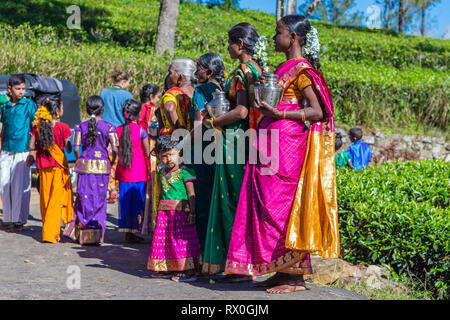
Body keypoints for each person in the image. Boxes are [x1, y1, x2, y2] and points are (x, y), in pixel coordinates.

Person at [225, 15, 339, 294]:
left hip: (287, 147)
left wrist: (279, 113)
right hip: (270, 142)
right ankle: (280, 271)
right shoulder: (284, 67)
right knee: (265, 208)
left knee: (282, 208)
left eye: (279, 33)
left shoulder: (302, 70)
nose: (275, 38)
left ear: (294, 38)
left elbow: (317, 111)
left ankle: (295, 277)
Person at [201, 23, 262, 281]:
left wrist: (213, 121)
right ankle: (244, 263)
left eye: (229, 43)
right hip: (253, 140)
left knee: (230, 201)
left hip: (235, 141)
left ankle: (238, 266)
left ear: (239, 43)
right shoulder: (258, 68)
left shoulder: (241, 71)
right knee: (242, 202)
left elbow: (241, 111)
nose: (228, 48)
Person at [64, 96, 119, 245]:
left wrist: (78, 159)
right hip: (103, 166)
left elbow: (76, 148)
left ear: (87, 110)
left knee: (83, 197)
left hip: (84, 165)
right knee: (100, 199)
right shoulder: (110, 127)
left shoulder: (80, 126)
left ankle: (83, 233)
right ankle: (97, 236)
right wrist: (111, 160)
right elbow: (115, 148)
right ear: (103, 109)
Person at [147, 135, 201, 282]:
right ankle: (168, 267)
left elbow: (191, 194)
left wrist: (192, 213)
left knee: (180, 241)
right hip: (165, 214)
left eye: (172, 154)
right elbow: (160, 193)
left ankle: (187, 270)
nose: (169, 159)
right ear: (158, 156)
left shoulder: (185, 173)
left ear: (179, 153)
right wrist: (158, 212)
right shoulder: (161, 173)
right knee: (165, 240)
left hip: (181, 214)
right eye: (164, 156)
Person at [189, 52, 225, 255]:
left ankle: (202, 255)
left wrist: (181, 149)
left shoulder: (200, 91)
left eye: (199, 68)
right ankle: (217, 254)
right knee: (215, 201)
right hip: (220, 150)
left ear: (209, 71)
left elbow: (198, 126)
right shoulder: (223, 89)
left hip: (202, 151)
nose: (196, 72)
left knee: (200, 203)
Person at [27, 95, 73, 243]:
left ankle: (47, 229)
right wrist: (68, 143)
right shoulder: (63, 127)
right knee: (55, 200)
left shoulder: (37, 127)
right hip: (58, 167)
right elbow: (68, 148)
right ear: (57, 111)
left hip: (43, 167)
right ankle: (52, 233)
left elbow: (31, 146)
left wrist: (32, 157)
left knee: (45, 199)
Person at [0, 74, 37, 233]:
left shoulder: (29, 104)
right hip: (6, 149)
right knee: (4, 184)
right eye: (18, 89)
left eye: (23, 88)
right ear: (10, 89)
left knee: (19, 186)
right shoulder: (5, 106)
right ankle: (8, 219)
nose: (21, 92)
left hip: (23, 150)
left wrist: (33, 151)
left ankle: (19, 221)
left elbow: (36, 128)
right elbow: (4, 128)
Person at [116, 99, 150, 243]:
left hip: (124, 172)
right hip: (138, 172)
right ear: (138, 114)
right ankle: (135, 231)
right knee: (138, 202)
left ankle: (127, 232)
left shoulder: (118, 130)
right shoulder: (141, 131)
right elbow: (147, 152)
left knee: (125, 203)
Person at [100, 70, 133, 204]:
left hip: (105, 131)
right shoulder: (127, 95)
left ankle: (109, 186)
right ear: (123, 82)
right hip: (121, 131)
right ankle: (116, 187)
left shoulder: (103, 93)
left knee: (108, 160)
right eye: (128, 82)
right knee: (120, 160)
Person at [138, 84, 161, 235]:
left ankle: (141, 223)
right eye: (158, 97)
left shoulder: (137, 109)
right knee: (152, 188)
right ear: (152, 97)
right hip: (151, 152)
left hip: (138, 152)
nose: (158, 100)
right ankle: (150, 224)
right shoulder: (153, 110)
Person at [159, 58, 196, 136]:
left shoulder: (172, 94)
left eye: (170, 73)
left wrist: (180, 135)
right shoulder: (197, 92)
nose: (168, 77)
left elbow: (170, 109)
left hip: (175, 143)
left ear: (180, 77)